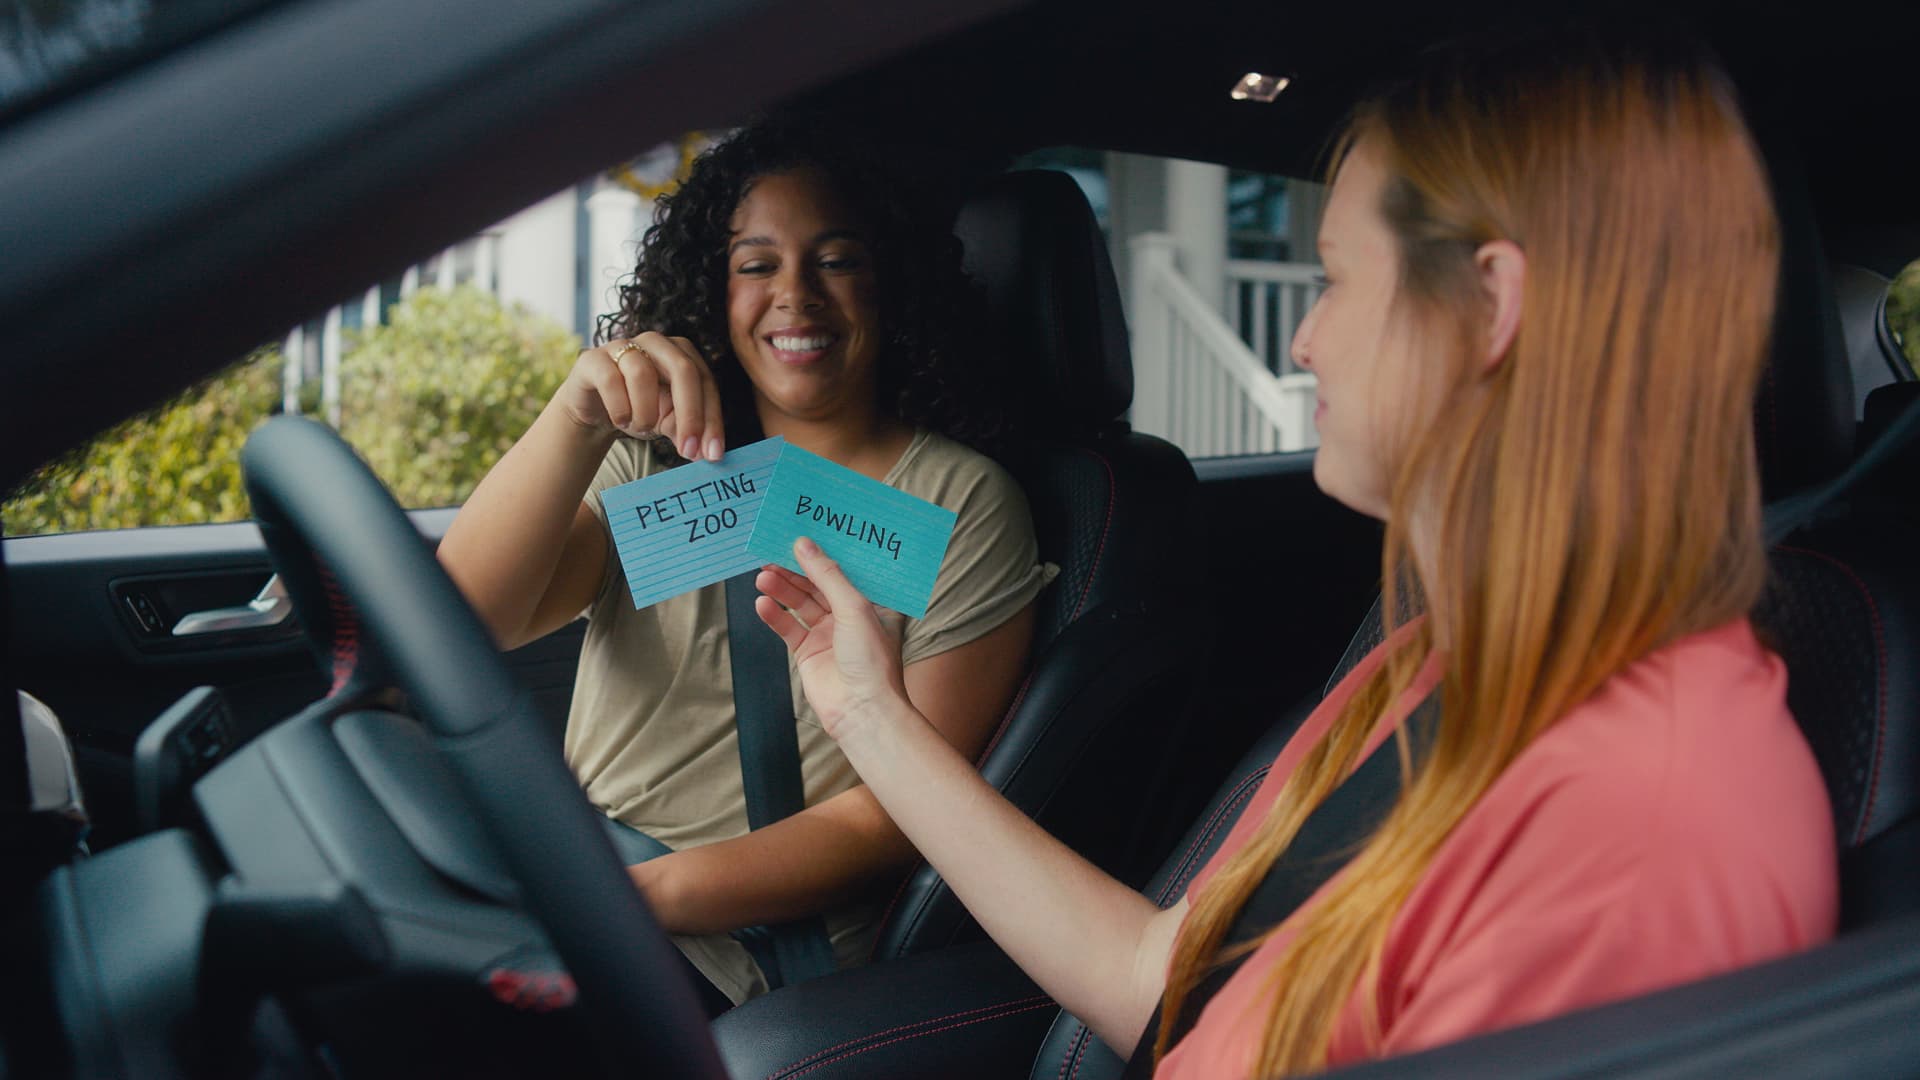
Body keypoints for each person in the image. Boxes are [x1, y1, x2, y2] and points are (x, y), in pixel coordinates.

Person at [753, 29, 1839, 1077]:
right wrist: (868, 715)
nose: (1304, 338)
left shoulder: (1641, 831)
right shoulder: (1439, 666)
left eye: (1332, 277)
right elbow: (1163, 978)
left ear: (1491, 304)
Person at [437, 119, 1055, 1012]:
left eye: (837, 261)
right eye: (756, 265)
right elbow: (468, 621)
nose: (795, 295)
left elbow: (896, 818)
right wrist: (574, 418)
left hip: (746, 947)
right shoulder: (651, 455)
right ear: (711, 291)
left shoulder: (959, 502)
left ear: (891, 286)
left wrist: (645, 898)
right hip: (584, 866)